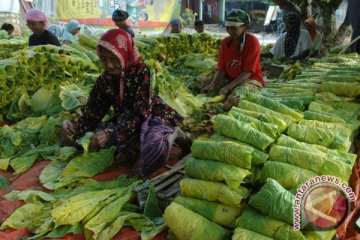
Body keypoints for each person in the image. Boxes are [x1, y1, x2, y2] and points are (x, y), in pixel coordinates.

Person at [61, 29, 191, 177]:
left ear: (124, 53)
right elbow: (93, 112)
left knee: (152, 149)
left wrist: (111, 134)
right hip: (125, 122)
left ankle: (174, 132)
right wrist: (75, 128)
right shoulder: (105, 79)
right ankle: (131, 148)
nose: (109, 65)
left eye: (113, 58)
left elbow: (140, 112)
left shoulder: (142, 71)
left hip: (152, 116)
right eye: (104, 59)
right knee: (84, 140)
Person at [202, 9, 264, 111]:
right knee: (202, 83)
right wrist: (213, 85)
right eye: (228, 28)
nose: (230, 31)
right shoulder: (225, 43)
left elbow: (247, 72)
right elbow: (221, 70)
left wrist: (229, 87)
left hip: (251, 80)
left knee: (236, 96)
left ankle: (223, 109)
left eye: (234, 28)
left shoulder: (252, 42)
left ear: (244, 27)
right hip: (231, 79)